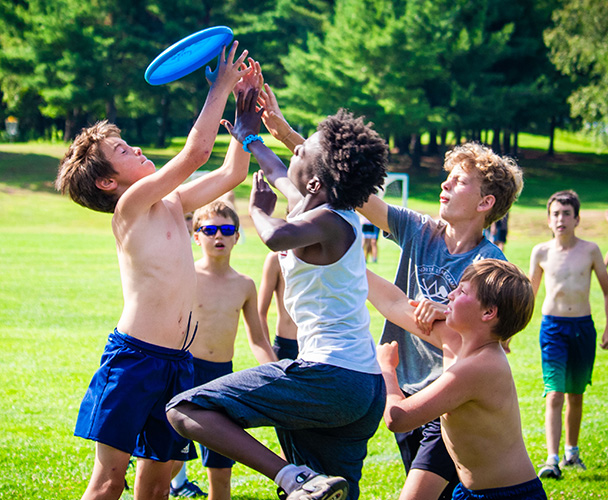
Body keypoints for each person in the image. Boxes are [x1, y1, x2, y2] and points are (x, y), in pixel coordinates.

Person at [256, 83, 524, 500]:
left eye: (459, 182)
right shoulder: (421, 230)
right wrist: (290, 137)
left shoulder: (491, 267)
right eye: (447, 178)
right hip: (403, 385)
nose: (445, 185)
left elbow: (499, 337)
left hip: (447, 395)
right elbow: (356, 191)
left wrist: (446, 313)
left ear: (486, 202)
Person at [54, 42, 258, 500]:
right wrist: (220, 87)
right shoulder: (130, 207)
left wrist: (246, 117)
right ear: (109, 182)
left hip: (178, 363)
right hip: (134, 361)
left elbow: (232, 173)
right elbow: (195, 153)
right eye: (124, 150)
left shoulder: (173, 204)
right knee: (108, 482)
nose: (137, 148)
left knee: (158, 479)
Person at [167, 106, 389, 500]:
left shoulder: (330, 220)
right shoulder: (319, 205)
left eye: (302, 152)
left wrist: (255, 211)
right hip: (362, 386)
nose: (295, 152)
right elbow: (276, 170)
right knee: (329, 493)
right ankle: (306, 482)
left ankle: (290, 476)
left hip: (330, 376)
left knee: (185, 410)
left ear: (316, 183)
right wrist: (248, 134)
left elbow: (275, 236)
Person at [369, 259, 547, 500]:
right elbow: (395, 304)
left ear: (488, 312)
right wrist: (350, 263)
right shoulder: (456, 340)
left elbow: (398, 418)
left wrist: (386, 369)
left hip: (508, 495)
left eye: (462, 291)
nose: (449, 295)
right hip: (468, 491)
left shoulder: (481, 366)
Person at [181, 200, 278, 500]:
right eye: (209, 230)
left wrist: (277, 372)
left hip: (221, 379)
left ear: (237, 236)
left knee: (221, 475)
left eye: (226, 230)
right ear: (196, 236)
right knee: (167, 464)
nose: (218, 236)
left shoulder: (244, 285)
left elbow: (259, 340)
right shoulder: (185, 276)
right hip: (184, 375)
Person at [529, 190, 608, 479]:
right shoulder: (541, 251)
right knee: (554, 394)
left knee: (576, 394)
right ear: (548, 220)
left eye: (566, 213)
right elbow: (530, 295)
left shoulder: (591, 250)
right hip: (552, 329)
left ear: (577, 219)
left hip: (583, 328)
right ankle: (551, 459)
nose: (560, 219)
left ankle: (571, 453)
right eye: (555, 214)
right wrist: (509, 331)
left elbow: (607, 289)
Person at [258, 250, 298, 360]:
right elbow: (260, 313)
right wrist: (268, 356)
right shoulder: (278, 258)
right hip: (287, 347)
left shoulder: (325, 256)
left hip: (317, 347)